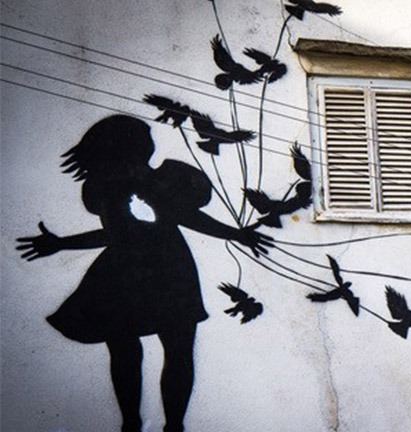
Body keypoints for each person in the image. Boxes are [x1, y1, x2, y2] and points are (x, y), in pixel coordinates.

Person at [16, 115, 271, 432]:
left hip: (148, 272)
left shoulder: (160, 179)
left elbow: (185, 217)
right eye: (145, 134)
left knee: (158, 350)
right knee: (145, 349)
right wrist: (62, 244)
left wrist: (237, 234)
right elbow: (122, 233)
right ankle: (138, 424)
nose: (151, 138)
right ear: (128, 145)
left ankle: (160, 425)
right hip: (148, 272)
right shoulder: (110, 187)